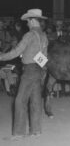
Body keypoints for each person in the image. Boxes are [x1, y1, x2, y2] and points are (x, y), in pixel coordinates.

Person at [1, 9, 48, 141]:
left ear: (32, 20)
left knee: (20, 100)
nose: (26, 24)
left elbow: (16, 52)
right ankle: (36, 130)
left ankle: (19, 133)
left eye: (27, 21)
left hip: (29, 71)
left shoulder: (29, 35)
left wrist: (1, 56)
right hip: (38, 70)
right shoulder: (43, 36)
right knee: (35, 100)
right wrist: (42, 70)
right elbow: (44, 57)